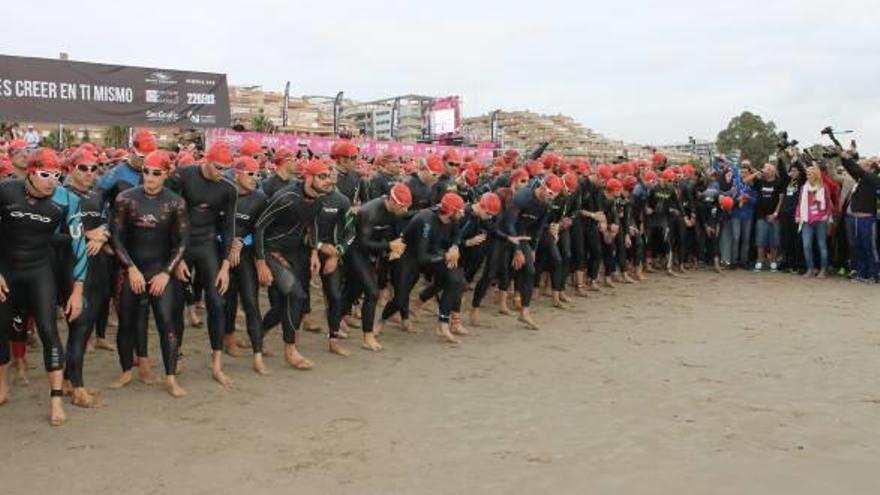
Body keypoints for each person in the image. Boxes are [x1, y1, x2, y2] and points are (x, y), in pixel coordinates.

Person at [0, 148, 88, 425]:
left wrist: (77, 290)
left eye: (57, 175)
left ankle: (56, 400)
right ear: (30, 172)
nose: (52, 181)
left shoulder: (68, 201)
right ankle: (2, 385)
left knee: (50, 331)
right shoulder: (6, 191)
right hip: (7, 271)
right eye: (45, 174)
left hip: (40, 271)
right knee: (1, 329)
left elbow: (78, 244)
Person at [110, 151, 188, 398]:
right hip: (131, 269)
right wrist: (130, 268)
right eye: (146, 171)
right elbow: (116, 238)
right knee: (127, 323)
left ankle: (171, 377)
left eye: (156, 173)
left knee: (167, 323)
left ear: (166, 174)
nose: (150, 177)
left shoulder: (175, 202)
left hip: (160, 270)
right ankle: (125, 371)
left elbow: (183, 241)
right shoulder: (125, 199)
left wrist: (166, 272)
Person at [167, 141, 237, 387]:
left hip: (207, 244)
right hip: (182, 245)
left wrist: (226, 265)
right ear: (206, 160)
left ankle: (216, 363)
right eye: (218, 167)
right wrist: (176, 259)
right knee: (176, 304)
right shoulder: (182, 177)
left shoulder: (228, 189)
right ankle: (177, 354)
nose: (222, 173)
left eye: (227, 169)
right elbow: (170, 218)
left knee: (217, 302)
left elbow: (229, 228)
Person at [253, 159, 335, 367]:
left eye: (329, 176)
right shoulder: (286, 197)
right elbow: (260, 228)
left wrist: (315, 253)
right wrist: (261, 262)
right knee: (297, 296)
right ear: (308, 177)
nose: (328, 181)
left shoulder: (318, 200)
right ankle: (291, 350)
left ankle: (258, 335)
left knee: (283, 305)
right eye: (322, 176)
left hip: (295, 253)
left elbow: (312, 225)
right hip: (272, 252)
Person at [59, 151, 112, 407]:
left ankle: (70, 380)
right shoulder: (59, 195)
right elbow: (47, 235)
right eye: (83, 168)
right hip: (71, 269)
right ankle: (77, 388)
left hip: (97, 267)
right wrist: (82, 235)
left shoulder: (95, 195)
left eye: (94, 168)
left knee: (86, 326)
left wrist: (102, 236)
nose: (90, 172)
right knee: (78, 328)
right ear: (70, 168)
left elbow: (105, 223)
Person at [342, 183, 411, 351]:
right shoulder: (369, 212)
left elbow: (393, 234)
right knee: (371, 293)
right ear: (393, 202)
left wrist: (394, 249)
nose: (405, 211)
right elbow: (364, 242)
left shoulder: (396, 211)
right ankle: (368, 337)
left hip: (373, 252)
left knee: (352, 293)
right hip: (356, 252)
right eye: (403, 207)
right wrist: (388, 246)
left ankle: (336, 317)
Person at [224, 156, 270, 374]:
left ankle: (258, 355)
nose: (255, 178)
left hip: (244, 254)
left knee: (251, 302)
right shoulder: (223, 194)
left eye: (258, 174)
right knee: (227, 300)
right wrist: (229, 243)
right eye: (251, 174)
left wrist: (242, 242)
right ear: (237, 174)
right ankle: (229, 339)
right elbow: (210, 226)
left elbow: (260, 230)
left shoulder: (260, 199)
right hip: (221, 253)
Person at [502, 173, 562, 329]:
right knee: (492, 273)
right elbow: (509, 223)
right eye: (549, 194)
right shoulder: (524, 197)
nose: (551, 199)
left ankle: (525, 312)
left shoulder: (546, 204)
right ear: (542, 187)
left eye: (554, 196)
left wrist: (533, 249)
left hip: (523, 236)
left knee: (529, 270)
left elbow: (538, 228)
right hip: (504, 233)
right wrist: (516, 250)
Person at [838, 145, 879, 282]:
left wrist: (848, 158)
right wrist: (843, 157)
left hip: (867, 220)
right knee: (859, 247)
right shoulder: (861, 179)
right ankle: (862, 273)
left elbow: (857, 169)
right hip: (855, 219)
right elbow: (852, 169)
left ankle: (874, 274)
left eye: (864, 165)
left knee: (870, 248)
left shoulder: (874, 179)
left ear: (871, 168)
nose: (860, 167)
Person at [796, 164, 832, 277]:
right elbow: (800, 203)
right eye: (807, 174)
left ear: (816, 175)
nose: (808, 176)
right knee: (806, 245)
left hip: (820, 220)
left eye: (810, 174)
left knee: (822, 245)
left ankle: (823, 270)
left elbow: (829, 204)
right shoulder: (804, 188)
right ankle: (810, 269)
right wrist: (798, 215)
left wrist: (827, 215)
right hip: (806, 220)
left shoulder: (823, 187)